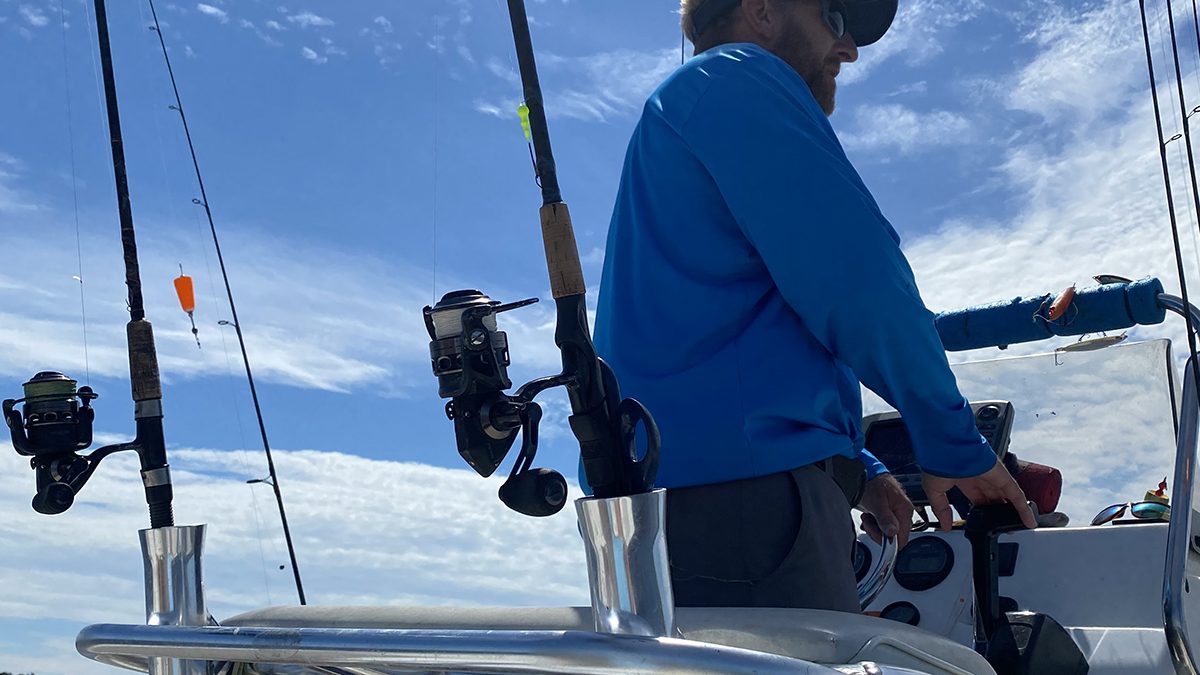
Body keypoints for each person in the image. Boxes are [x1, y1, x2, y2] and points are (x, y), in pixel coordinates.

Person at [592, 0, 1037, 613]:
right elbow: (858, 278)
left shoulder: (687, 108)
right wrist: (952, 441)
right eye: (833, 16)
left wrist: (863, 469)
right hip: (745, 514)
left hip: (683, 508)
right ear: (763, 10)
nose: (849, 48)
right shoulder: (735, 75)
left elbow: (753, 327)